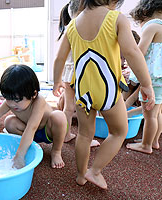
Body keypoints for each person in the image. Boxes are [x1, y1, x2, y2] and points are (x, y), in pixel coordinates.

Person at [53, 0, 155, 189]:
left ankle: (81, 175)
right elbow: (132, 52)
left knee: (84, 134)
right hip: (107, 89)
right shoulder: (116, 19)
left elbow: (59, 57)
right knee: (119, 131)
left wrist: (56, 81)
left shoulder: (72, 24)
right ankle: (95, 170)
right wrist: (146, 84)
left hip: (82, 91)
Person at [0, 64, 68, 169]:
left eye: (17, 100)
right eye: (8, 98)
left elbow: (32, 127)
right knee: (9, 122)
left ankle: (56, 151)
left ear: (34, 94)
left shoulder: (39, 101)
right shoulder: (10, 102)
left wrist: (20, 156)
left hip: (47, 131)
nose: (12, 104)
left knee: (59, 116)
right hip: (29, 133)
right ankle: (30, 145)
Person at [56, 0, 100, 147]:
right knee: (87, 108)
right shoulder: (83, 27)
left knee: (68, 108)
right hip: (83, 73)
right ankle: (87, 138)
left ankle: (65, 135)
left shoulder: (68, 29)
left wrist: (57, 80)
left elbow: (59, 58)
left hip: (68, 74)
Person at [126, 0, 162, 153]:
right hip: (160, 77)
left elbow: (139, 52)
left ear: (146, 11)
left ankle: (145, 145)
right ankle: (153, 141)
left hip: (152, 78)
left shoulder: (151, 26)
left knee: (149, 115)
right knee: (157, 112)